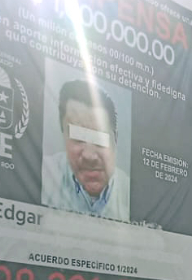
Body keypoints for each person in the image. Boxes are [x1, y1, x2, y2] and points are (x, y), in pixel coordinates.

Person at [41, 80, 130, 220]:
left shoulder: (129, 192)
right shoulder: (42, 176)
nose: (89, 155)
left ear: (116, 140)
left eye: (100, 139)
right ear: (64, 135)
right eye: (78, 137)